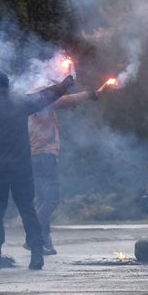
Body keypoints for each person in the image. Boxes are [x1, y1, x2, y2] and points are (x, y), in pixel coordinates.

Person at [0, 72, 74, 270]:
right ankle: (37, 254)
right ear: (8, 86)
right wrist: (65, 84)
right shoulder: (20, 103)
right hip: (22, 168)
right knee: (28, 209)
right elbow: (46, 95)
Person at [27, 84, 101, 255]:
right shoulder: (40, 101)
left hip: (38, 156)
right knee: (52, 199)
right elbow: (67, 100)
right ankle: (33, 237)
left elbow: (67, 104)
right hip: (45, 156)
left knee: (43, 199)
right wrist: (90, 93)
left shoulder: (34, 104)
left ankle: (43, 243)